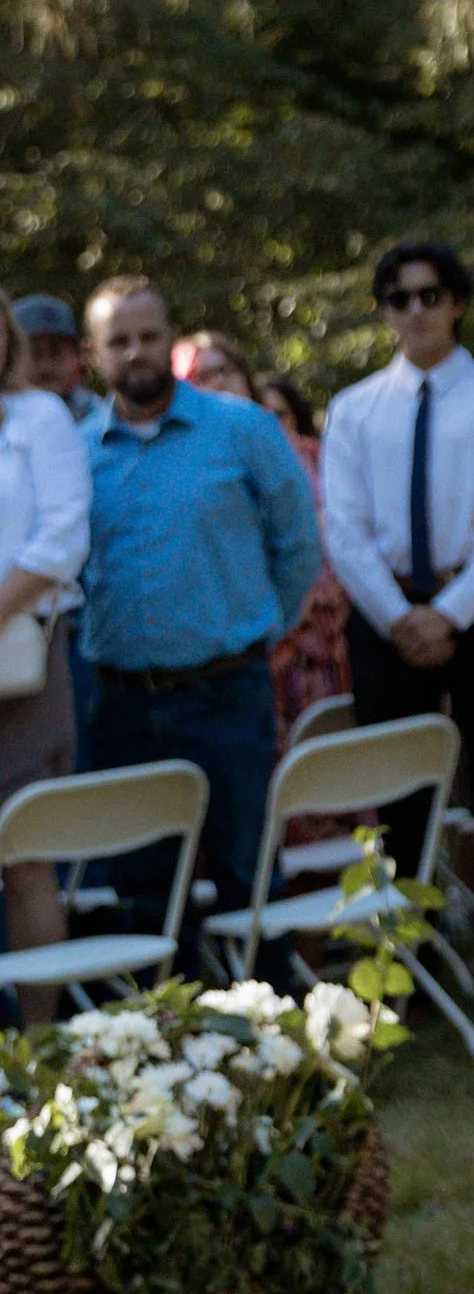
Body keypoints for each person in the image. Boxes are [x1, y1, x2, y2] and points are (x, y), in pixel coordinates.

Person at [79, 275, 321, 946]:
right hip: (121, 704)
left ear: (171, 340)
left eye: (149, 337)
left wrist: (267, 629)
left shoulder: (241, 428)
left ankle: (275, 1037)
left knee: (249, 872)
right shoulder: (75, 453)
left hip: (226, 691)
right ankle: (163, 1043)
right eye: (118, 341)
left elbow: (297, 544)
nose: (136, 353)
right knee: (145, 888)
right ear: (93, 354)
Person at [321, 239, 474, 897]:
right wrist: (401, 619)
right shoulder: (355, 410)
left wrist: (447, 614)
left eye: (430, 296)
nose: (416, 311)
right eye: (399, 299)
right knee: (399, 798)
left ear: (457, 304)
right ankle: (411, 962)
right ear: (383, 311)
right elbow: (345, 530)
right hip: (385, 616)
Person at [0, 289, 93, 983]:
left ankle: (40, 1052)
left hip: (21, 661)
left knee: (26, 853)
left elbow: (63, 536)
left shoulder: (38, 417)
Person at [256, 371, 355, 743]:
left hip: (327, 643)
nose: (270, 426)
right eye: (259, 415)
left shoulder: (323, 462)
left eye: (278, 415)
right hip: (266, 650)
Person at [10, 294, 97, 423]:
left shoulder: (104, 422)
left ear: (78, 356)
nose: (46, 367)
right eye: (34, 354)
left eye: (56, 353)